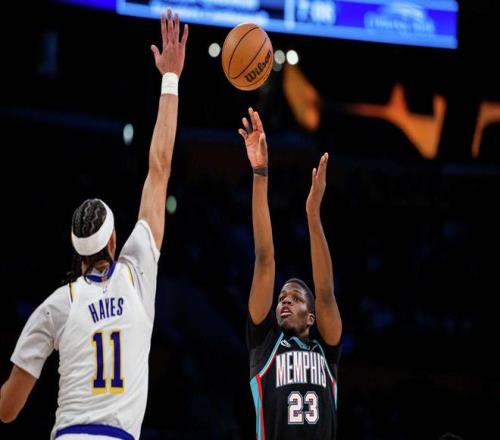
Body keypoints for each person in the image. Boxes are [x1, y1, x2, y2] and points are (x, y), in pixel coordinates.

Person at [0, 10, 188, 440]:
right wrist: (170, 78)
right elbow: (159, 167)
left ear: (76, 249)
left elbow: (8, 410)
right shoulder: (136, 274)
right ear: (115, 240)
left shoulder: (56, 305)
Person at [239, 108, 342, 439]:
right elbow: (264, 258)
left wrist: (313, 215)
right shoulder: (264, 345)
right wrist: (260, 172)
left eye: (296, 298)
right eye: (283, 297)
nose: (284, 301)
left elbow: (325, 293)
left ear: (312, 317)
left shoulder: (326, 351)